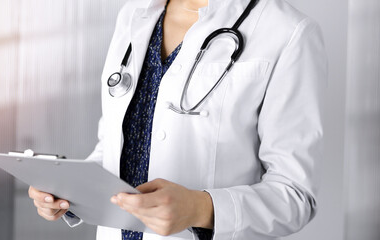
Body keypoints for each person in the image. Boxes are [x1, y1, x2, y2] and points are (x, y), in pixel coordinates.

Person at [29, 0, 327, 239]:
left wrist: (200, 208)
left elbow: (294, 196)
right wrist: (67, 192)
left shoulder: (288, 32)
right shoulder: (134, 14)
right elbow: (114, 146)